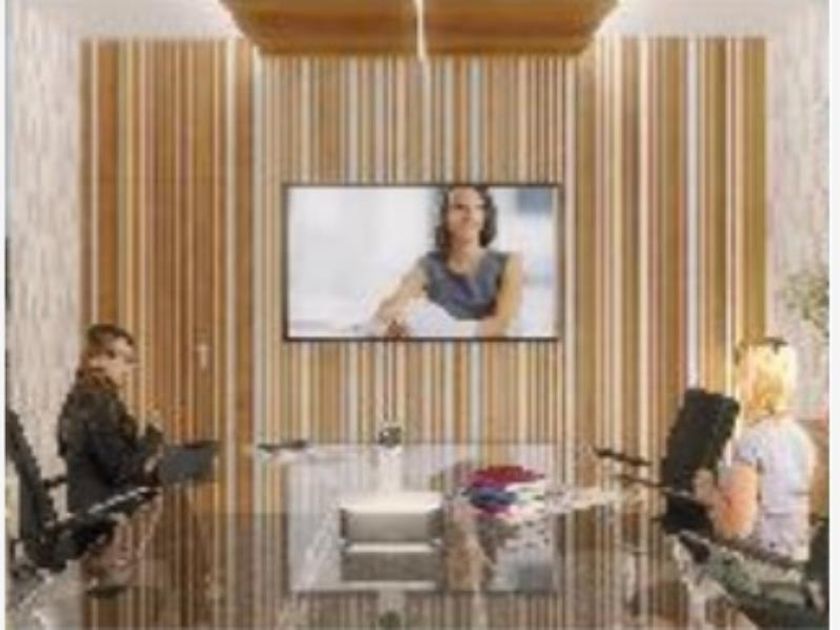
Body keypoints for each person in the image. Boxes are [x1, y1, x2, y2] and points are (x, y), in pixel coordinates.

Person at [57, 323, 164, 592]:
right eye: (124, 359)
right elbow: (120, 469)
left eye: (132, 361)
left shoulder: (89, 396)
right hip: (101, 501)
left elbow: (114, 459)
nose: (129, 368)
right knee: (171, 495)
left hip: (93, 496)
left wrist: (148, 453)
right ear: (97, 359)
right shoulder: (96, 402)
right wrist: (152, 436)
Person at [693, 337, 816, 561]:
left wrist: (709, 493)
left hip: (763, 567)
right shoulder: (800, 438)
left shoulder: (753, 441)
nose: (738, 383)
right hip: (796, 563)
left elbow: (736, 528)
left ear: (756, 382)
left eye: (742, 375)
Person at [374, 185, 523, 337]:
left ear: (486, 215)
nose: (470, 215)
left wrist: (445, 329)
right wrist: (394, 320)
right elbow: (392, 305)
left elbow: (505, 324)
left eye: (478, 208)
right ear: (445, 216)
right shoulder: (429, 265)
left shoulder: (509, 263)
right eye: (459, 207)